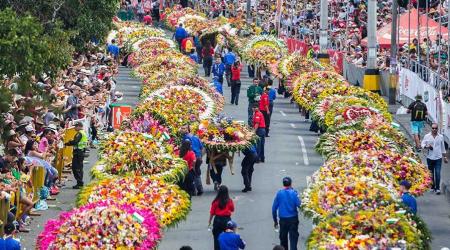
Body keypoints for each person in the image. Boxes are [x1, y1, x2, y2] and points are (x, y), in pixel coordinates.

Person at [272, 177, 301, 250]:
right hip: (293, 219)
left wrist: (275, 221)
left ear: (283, 184)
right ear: (291, 184)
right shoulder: (294, 193)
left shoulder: (279, 193)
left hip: (283, 220)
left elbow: (274, 209)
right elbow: (299, 205)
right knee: (293, 240)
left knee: (283, 240)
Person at [421, 123, 448, 194]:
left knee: (438, 173)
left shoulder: (441, 137)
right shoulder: (427, 136)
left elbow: (443, 148)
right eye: (433, 128)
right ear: (431, 128)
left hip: (438, 158)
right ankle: (432, 187)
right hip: (430, 158)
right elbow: (422, 144)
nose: (434, 129)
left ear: (437, 129)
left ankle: (438, 188)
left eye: (435, 128)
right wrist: (427, 147)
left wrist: (445, 157)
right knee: (431, 173)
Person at [209, 185, 235, 250]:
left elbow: (212, 212)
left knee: (217, 238)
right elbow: (232, 209)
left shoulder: (215, 202)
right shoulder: (229, 201)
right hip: (227, 220)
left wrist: (209, 221)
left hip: (217, 220)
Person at [181, 125, 204, 196]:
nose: (181, 130)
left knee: (192, 173)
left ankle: (194, 190)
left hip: (192, 158)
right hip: (198, 157)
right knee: (197, 172)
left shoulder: (186, 138)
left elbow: (185, 148)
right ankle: (200, 189)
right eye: (182, 128)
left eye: (183, 128)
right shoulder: (195, 137)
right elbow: (202, 148)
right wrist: (200, 156)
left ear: (188, 130)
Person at [64, 121, 88, 189]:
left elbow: (75, 142)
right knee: (79, 167)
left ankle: (79, 182)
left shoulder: (79, 133)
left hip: (78, 152)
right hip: (80, 151)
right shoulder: (82, 133)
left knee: (76, 167)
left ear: (79, 126)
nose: (74, 127)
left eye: (76, 126)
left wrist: (67, 143)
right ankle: (79, 182)